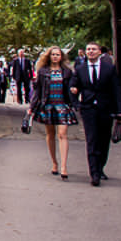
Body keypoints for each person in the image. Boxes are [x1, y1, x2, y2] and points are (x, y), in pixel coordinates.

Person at [70, 41, 121, 187]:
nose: (90, 51)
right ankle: (94, 174)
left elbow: (116, 90)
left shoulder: (109, 69)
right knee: (92, 140)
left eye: (93, 49)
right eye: (88, 49)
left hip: (105, 108)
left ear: (99, 52)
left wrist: (120, 111)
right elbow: (72, 87)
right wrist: (76, 104)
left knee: (104, 140)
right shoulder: (80, 69)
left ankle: (100, 167)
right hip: (88, 109)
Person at [29, 46, 78, 179]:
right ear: (49, 56)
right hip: (48, 106)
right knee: (50, 134)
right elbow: (38, 91)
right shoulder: (43, 71)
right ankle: (54, 162)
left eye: (57, 54)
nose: (55, 57)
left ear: (61, 57)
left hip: (63, 105)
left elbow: (72, 87)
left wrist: (75, 99)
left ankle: (64, 166)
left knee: (62, 134)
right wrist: (32, 107)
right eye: (53, 54)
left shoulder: (67, 72)